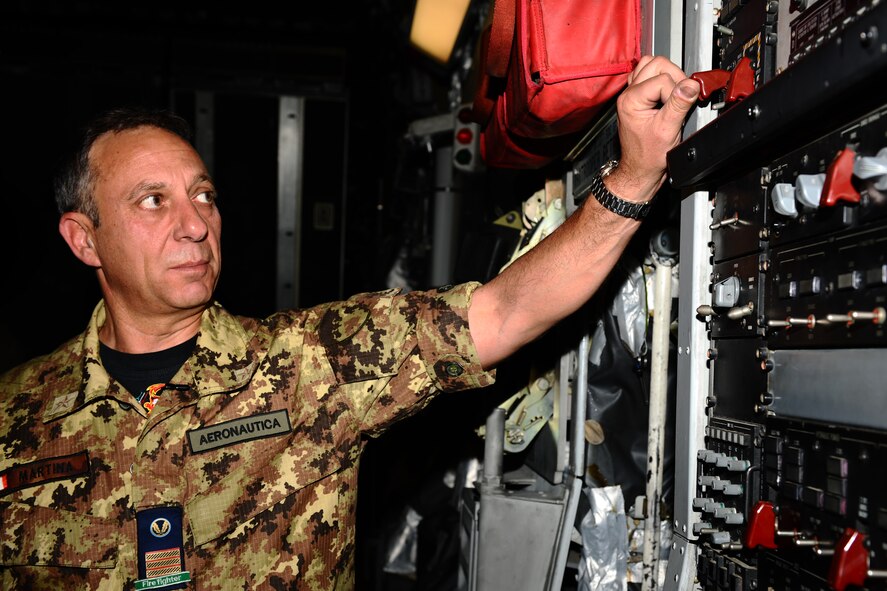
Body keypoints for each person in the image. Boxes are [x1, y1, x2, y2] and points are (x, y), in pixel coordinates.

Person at [0, 56, 700, 590]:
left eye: (203, 194)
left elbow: (501, 310)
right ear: (83, 239)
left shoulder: (313, 363)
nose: (193, 224)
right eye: (153, 201)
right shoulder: (17, 414)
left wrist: (633, 179)